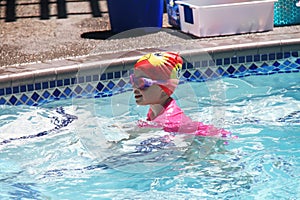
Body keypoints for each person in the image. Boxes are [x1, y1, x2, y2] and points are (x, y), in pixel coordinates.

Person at [130, 52, 231, 137]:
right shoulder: (156, 110)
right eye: (133, 80)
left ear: (163, 89)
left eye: (141, 82)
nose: (135, 87)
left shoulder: (170, 122)